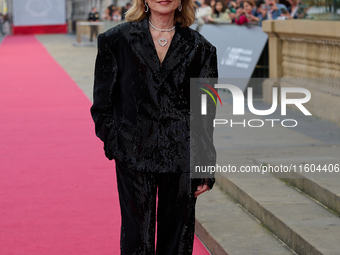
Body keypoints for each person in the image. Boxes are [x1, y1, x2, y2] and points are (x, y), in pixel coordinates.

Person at [90, 0, 218, 253]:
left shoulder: (201, 48)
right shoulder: (116, 41)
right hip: (133, 152)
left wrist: (204, 162)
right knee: (136, 237)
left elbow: (205, 113)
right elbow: (101, 104)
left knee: (177, 238)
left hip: (181, 154)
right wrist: (117, 145)